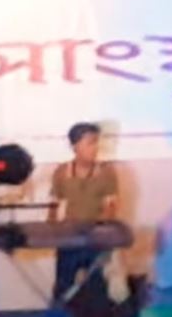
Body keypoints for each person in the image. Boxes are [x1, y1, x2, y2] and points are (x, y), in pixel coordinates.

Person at [49, 122, 119, 308]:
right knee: (63, 287)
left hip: (95, 240)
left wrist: (104, 235)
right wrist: (51, 234)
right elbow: (54, 206)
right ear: (75, 146)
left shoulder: (106, 172)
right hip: (68, 239)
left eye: (96, 142)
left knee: (97, 288)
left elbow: (111, 207)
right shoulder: (61, 172)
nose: (95, 148)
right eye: (90, 143)